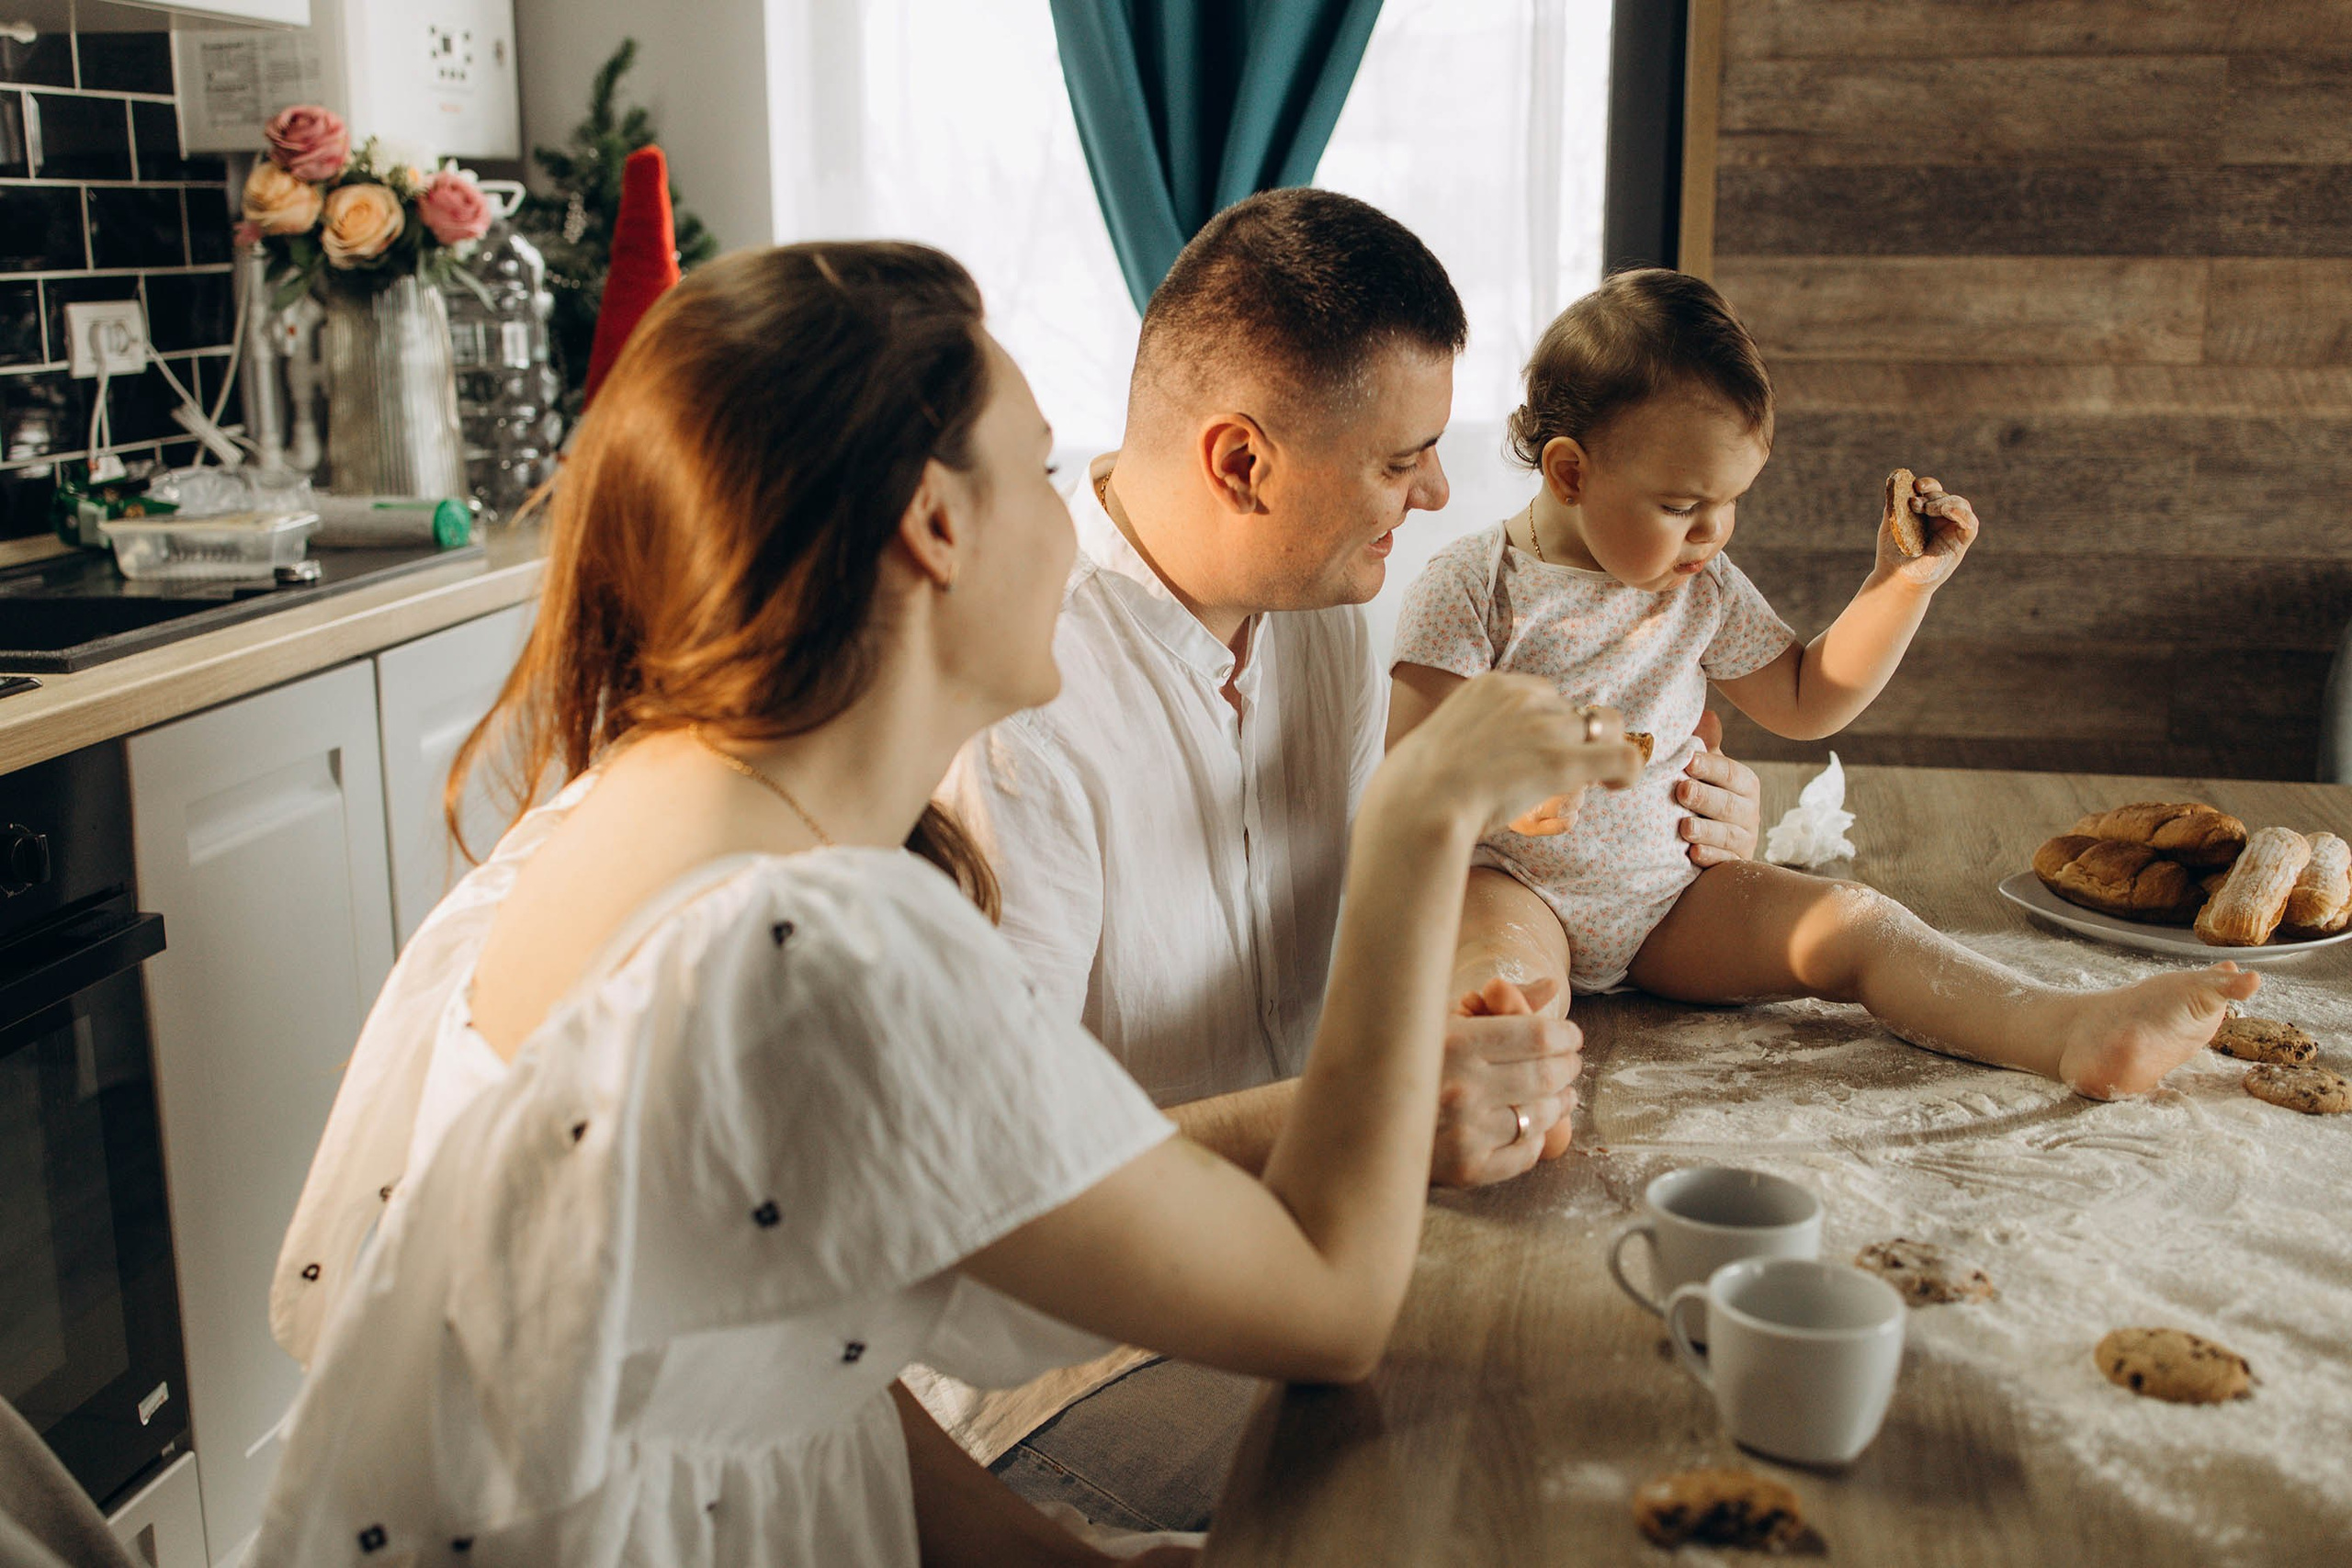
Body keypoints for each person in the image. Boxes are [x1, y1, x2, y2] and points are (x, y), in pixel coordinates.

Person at [249, 241, 1641, 1567]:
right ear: (934, 525)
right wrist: (1417, 819)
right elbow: (1330, 1306)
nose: (1078, 507)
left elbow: (784, 1347)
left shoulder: (617, 824)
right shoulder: (826, 948)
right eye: (1039, 466)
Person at [932, 190, 1766, 1521]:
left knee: (1671, 1374)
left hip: (1336, 1232)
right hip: (1077, 1361)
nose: (1438, 494)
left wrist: (1693, 810)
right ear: (1242, 462)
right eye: (1402, 461)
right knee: (1522, 1488)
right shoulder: (1015, 710)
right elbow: (988, 1191)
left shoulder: (1326, 602)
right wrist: (1373, 1100)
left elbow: (1484, 858)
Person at [1389, 267, 2259, 1100]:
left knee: (1859, 922)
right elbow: (1409, 769)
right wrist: (1505, 787)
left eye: (1731, 502)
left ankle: (2068, 1030)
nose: (1712, 533)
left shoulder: (1707, 584)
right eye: (1681, 504)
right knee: (1500, 977)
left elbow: (1808, 698)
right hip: (1515, 889)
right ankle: (1497, 1083)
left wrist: (1898, 585)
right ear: (1572, 473)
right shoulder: (1472, 587)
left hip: (1675, 904)